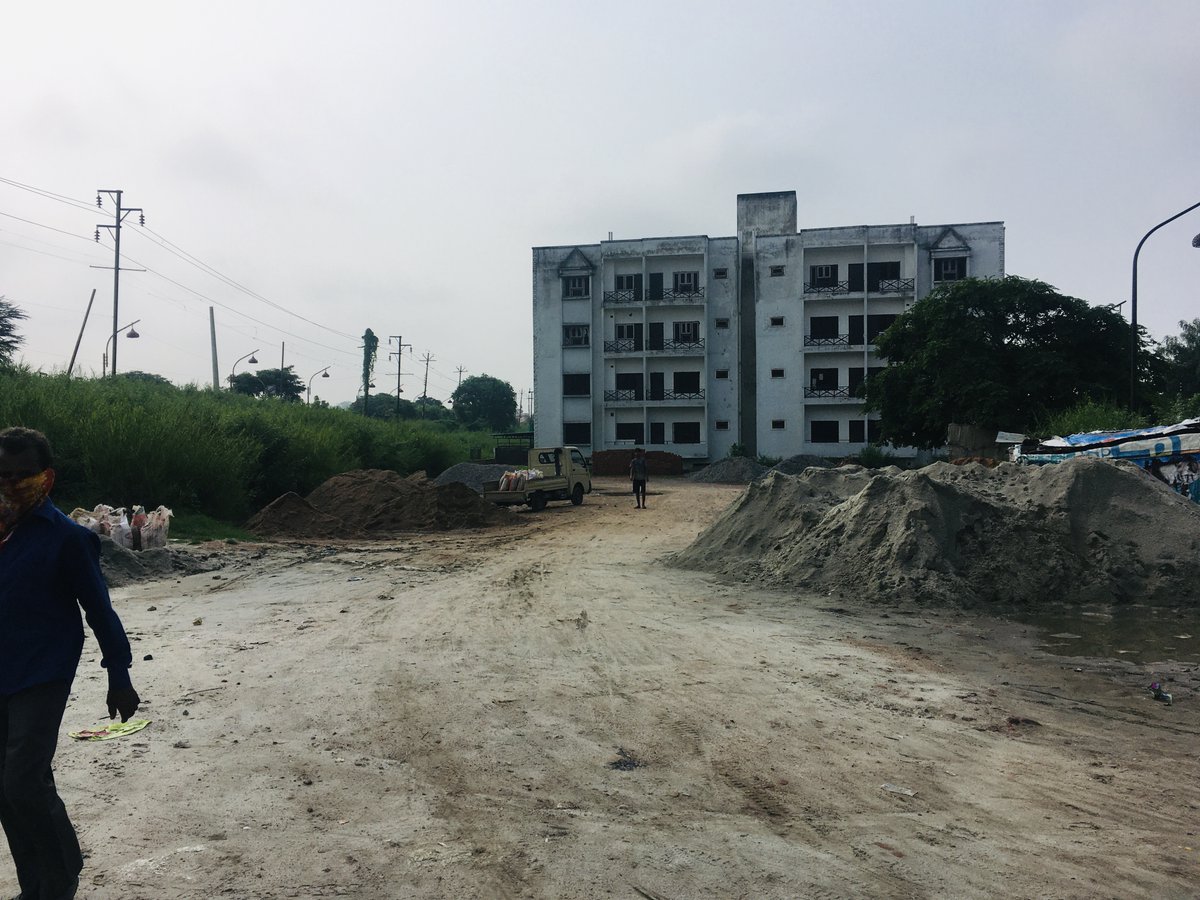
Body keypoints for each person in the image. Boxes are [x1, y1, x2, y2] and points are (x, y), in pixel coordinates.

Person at [0, 427, 140, 900]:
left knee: (21, 782)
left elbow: (100, 610)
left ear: (48, 477)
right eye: (3, 475)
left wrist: (118, 676)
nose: (12, 484)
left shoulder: (67, 538)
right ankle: (34, 886)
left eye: (23, 475)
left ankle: (61, 877)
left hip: (42, 674)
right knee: (8, 789)